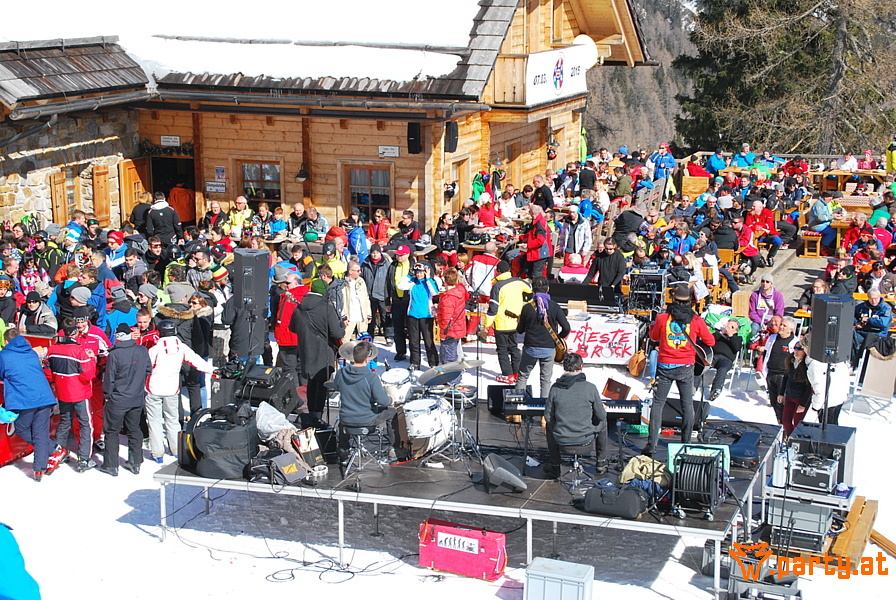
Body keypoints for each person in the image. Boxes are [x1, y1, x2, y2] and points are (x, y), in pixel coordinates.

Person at [643, 284, 715, 457]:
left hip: (665, 365)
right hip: (685, 366)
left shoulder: (662, 318)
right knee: (687, 405)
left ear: (673, 300)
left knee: (658, 404)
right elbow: (711, 341)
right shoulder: (696, 320)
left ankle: (651, 444)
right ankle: (686, 443)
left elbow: (653, 337)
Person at [145, 320, 215, 464]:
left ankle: (158, 453)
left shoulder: (154, 349)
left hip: (154, 388)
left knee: (154, 421)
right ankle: (177, 449)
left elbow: (146, 367)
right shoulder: (181, 347)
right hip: (172, 389)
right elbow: (197, 361)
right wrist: (214, 371)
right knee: (173, 420)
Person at [0, 328, 58, 481]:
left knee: (22, 428)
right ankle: (39, 470)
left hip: (25, 399)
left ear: (6, 341)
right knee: (39, 433)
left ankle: (53, 449)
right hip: (44, 396)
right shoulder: (31, 352)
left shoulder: (4, 355)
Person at [333, 341, 402, 463]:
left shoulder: (341, 373)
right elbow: (383, 401)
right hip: (366, 419)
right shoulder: (371, 377)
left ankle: (343, 449)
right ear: (367, 359)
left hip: (346, 419)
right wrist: (391, 399)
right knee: (391, 412)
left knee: (346, 414)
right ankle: (394, 449)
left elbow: (336, 386)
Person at [542, 352, 608, 478]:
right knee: (603, 422)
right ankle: (601, 462)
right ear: (581, 367)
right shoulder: (590, 388)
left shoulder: (555, 388)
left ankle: (555, 465)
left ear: (564, 367)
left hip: (562, 440)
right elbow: (601, 416)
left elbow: (548, 417)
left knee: (550, 426)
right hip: (585, 440)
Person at [46, 319, 98, 473]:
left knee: (64, 422)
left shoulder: (52, 349)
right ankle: (84, 460)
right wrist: (92, 359)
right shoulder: (79, 351)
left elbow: (48, 371)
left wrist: (55, 382)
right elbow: (88, 375)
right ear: (75, 332)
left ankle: (58, 452)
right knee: (85, 425)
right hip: (80, 393)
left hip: (62, 392)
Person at [99, 324, 152, 476]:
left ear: (117, 337)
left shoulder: (115, 355)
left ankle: (111, 465)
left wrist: (107, 395)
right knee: (135, 429)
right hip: (136, 398)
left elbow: (110, 379)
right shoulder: (142, 350)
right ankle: (135, 462)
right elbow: (148, 369)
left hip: (118, 400)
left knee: (111, 431)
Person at [291, 279, 344, 423]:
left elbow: (292, 328)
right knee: (322, 384)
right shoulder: (326, 307)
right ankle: (317, 418)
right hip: (323, 352)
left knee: (311, 383)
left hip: (306, 350)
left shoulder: (299, 307)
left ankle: (312, 415)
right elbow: (337, 334)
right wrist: (342, 325)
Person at [515, 277, 570, 398]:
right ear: (548, 289)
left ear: (532, 290)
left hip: (530, 348)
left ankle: (516, 409)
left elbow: (520, 330)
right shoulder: (554, 307)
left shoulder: (527, 307)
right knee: (545, 381)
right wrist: (557, 338)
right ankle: (544, 412)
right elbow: (566, 327)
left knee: (523, 376)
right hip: (549, 348)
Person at [485, 261, 531, 383]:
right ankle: (516, 373)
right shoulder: (518, 282)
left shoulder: (498, 286)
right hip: (515, 322)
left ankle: (507, 375)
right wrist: (525, 299)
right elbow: (530, 289)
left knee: (502, 350)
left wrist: (487, 324)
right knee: (514, 347)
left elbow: (493, 308)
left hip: (501, 323)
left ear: (498, 272)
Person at [398, 261, 440, 371]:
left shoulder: (430, 282)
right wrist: (409, 275)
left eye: (421, 272)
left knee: (428, 340)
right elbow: (400, 286)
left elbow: (435, 292)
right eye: (417, 273)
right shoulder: (412, 282)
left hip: (426, 315)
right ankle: (415, 362)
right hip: (412, 314)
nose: (419, 275)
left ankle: (433, 362)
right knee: (413, 341)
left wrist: (428, 278)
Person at [697, 318, 742, 402]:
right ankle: (693, 387)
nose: (728, 328)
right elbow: (709, 340)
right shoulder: (718, 334)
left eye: (731, 327)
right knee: (701, 364)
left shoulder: (737, 338)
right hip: (713, 355)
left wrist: (731, 336)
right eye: (727, 325)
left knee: (723, 369)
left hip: (726, 359)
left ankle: (716, 390)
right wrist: (721, 333)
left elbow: (736, 348)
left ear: (736, 330)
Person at [852, 289, 893, 369]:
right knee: (850, 336)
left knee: (867, 343)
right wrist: (856, 323)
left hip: (878, 334)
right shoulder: (862, 306)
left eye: (876, 298)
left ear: (879, 297)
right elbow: (851, 314)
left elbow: (883, 323)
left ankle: (862, 362)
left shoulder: (886, 308)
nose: (874, 301)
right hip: (862, 332)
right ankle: (853, 362)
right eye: (871, 299)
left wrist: (869, 319)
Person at [779, 344, 813, 437]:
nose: (796, 351)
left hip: (801, 398)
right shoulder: (791, 361)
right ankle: (790, 439)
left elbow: (810, 387)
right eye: (795, 348)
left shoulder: (808, 365)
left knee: (797, 422)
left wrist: (803, 404)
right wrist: (781, 393)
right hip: (790, 395)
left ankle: (797, 439)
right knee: (786, 421)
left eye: (799, 349)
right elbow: (786, 378)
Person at [386, 245, 413, 361]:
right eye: (397, 255)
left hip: (410, 300)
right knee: (398, 328)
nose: (399, 257)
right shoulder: (393, 266)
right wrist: (387, 301)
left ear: (407, 255)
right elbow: (388, 283)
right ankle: (400, 351)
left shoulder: (412, 266)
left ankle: (414, 354)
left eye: (401, 255)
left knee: (412, 328)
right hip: (397, 300)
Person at [437, 268, 469, 365]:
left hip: (450, 331)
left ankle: (453, 379)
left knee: (448, 358)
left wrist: (443, 334)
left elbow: (447, 318)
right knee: (453, 353)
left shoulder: (448, 298)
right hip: (458, 327)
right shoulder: (459, 291)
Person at [360, 244, 391, 340]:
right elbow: (362, 278)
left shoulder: (386, 264)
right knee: (370, 318)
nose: (375, 255)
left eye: (377, 253)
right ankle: (370, 336)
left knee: (385, 316)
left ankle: (389, 336)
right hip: (369, 295)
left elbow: (389, 279)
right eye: (373, 253)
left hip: (382, 294)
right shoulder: (365, 264)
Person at [341, 260, 372, 340]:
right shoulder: (342, 283)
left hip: (362, 317)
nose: (360, 272)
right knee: (345, 340)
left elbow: (366, 298)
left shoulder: (361, 281)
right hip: (349, 317)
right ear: (350, 271)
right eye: (358, 270)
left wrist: (368, 314)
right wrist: (343, 316)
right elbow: (341, 301)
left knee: (363, 343)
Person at [521, 203, 552, 278]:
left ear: (533, 213)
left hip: (539, 253)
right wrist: (521, 237)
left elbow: (540, 241)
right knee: (528, 270)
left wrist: (528, 245)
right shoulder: (538, 221)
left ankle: (537, 288)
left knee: (536, 274)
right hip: (537, 252)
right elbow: (531, 234)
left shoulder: (539, 223)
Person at [749, 274, 785, 338]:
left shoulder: (778, 296)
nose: (765, 283)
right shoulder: (755, 295)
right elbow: (752, 312)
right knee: (753, 329)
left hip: (772, 322)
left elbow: (779, 313)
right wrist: (761, 322)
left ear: (771, 284)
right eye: (763, 281)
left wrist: (771, 323)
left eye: (767, 282)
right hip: (758, 321)